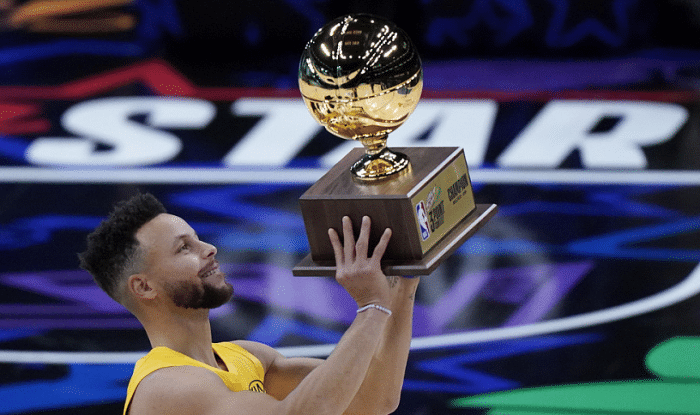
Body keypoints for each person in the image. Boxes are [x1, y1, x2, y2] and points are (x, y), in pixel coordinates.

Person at [78, 193, 419, 415]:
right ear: (144, 287)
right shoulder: (166, 387)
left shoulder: (245, 357)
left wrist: (402, 287)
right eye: (184, 248)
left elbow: (374, 398)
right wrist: (372, 306)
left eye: (198, 239)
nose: (209, 248)